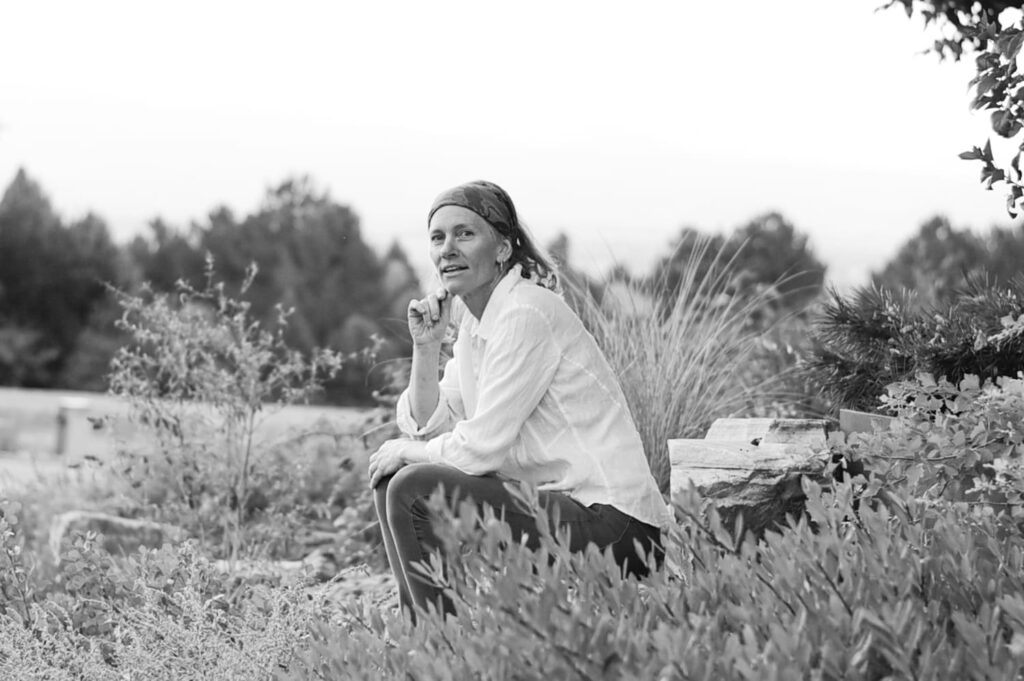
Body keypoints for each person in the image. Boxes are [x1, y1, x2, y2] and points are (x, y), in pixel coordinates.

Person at [369, 180, 672, 619]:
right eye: (438, 237)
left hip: (620, 528)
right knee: (392, 482)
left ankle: (444, 654)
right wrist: (426, 347)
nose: (447, 249)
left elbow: (479, 449)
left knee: (412, 486)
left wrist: (405, 451)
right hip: (565, 510)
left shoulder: (526, 313)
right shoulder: (477, 327)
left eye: (465, 234)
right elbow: (424, 426)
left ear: (503, 249)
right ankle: (422, 640)